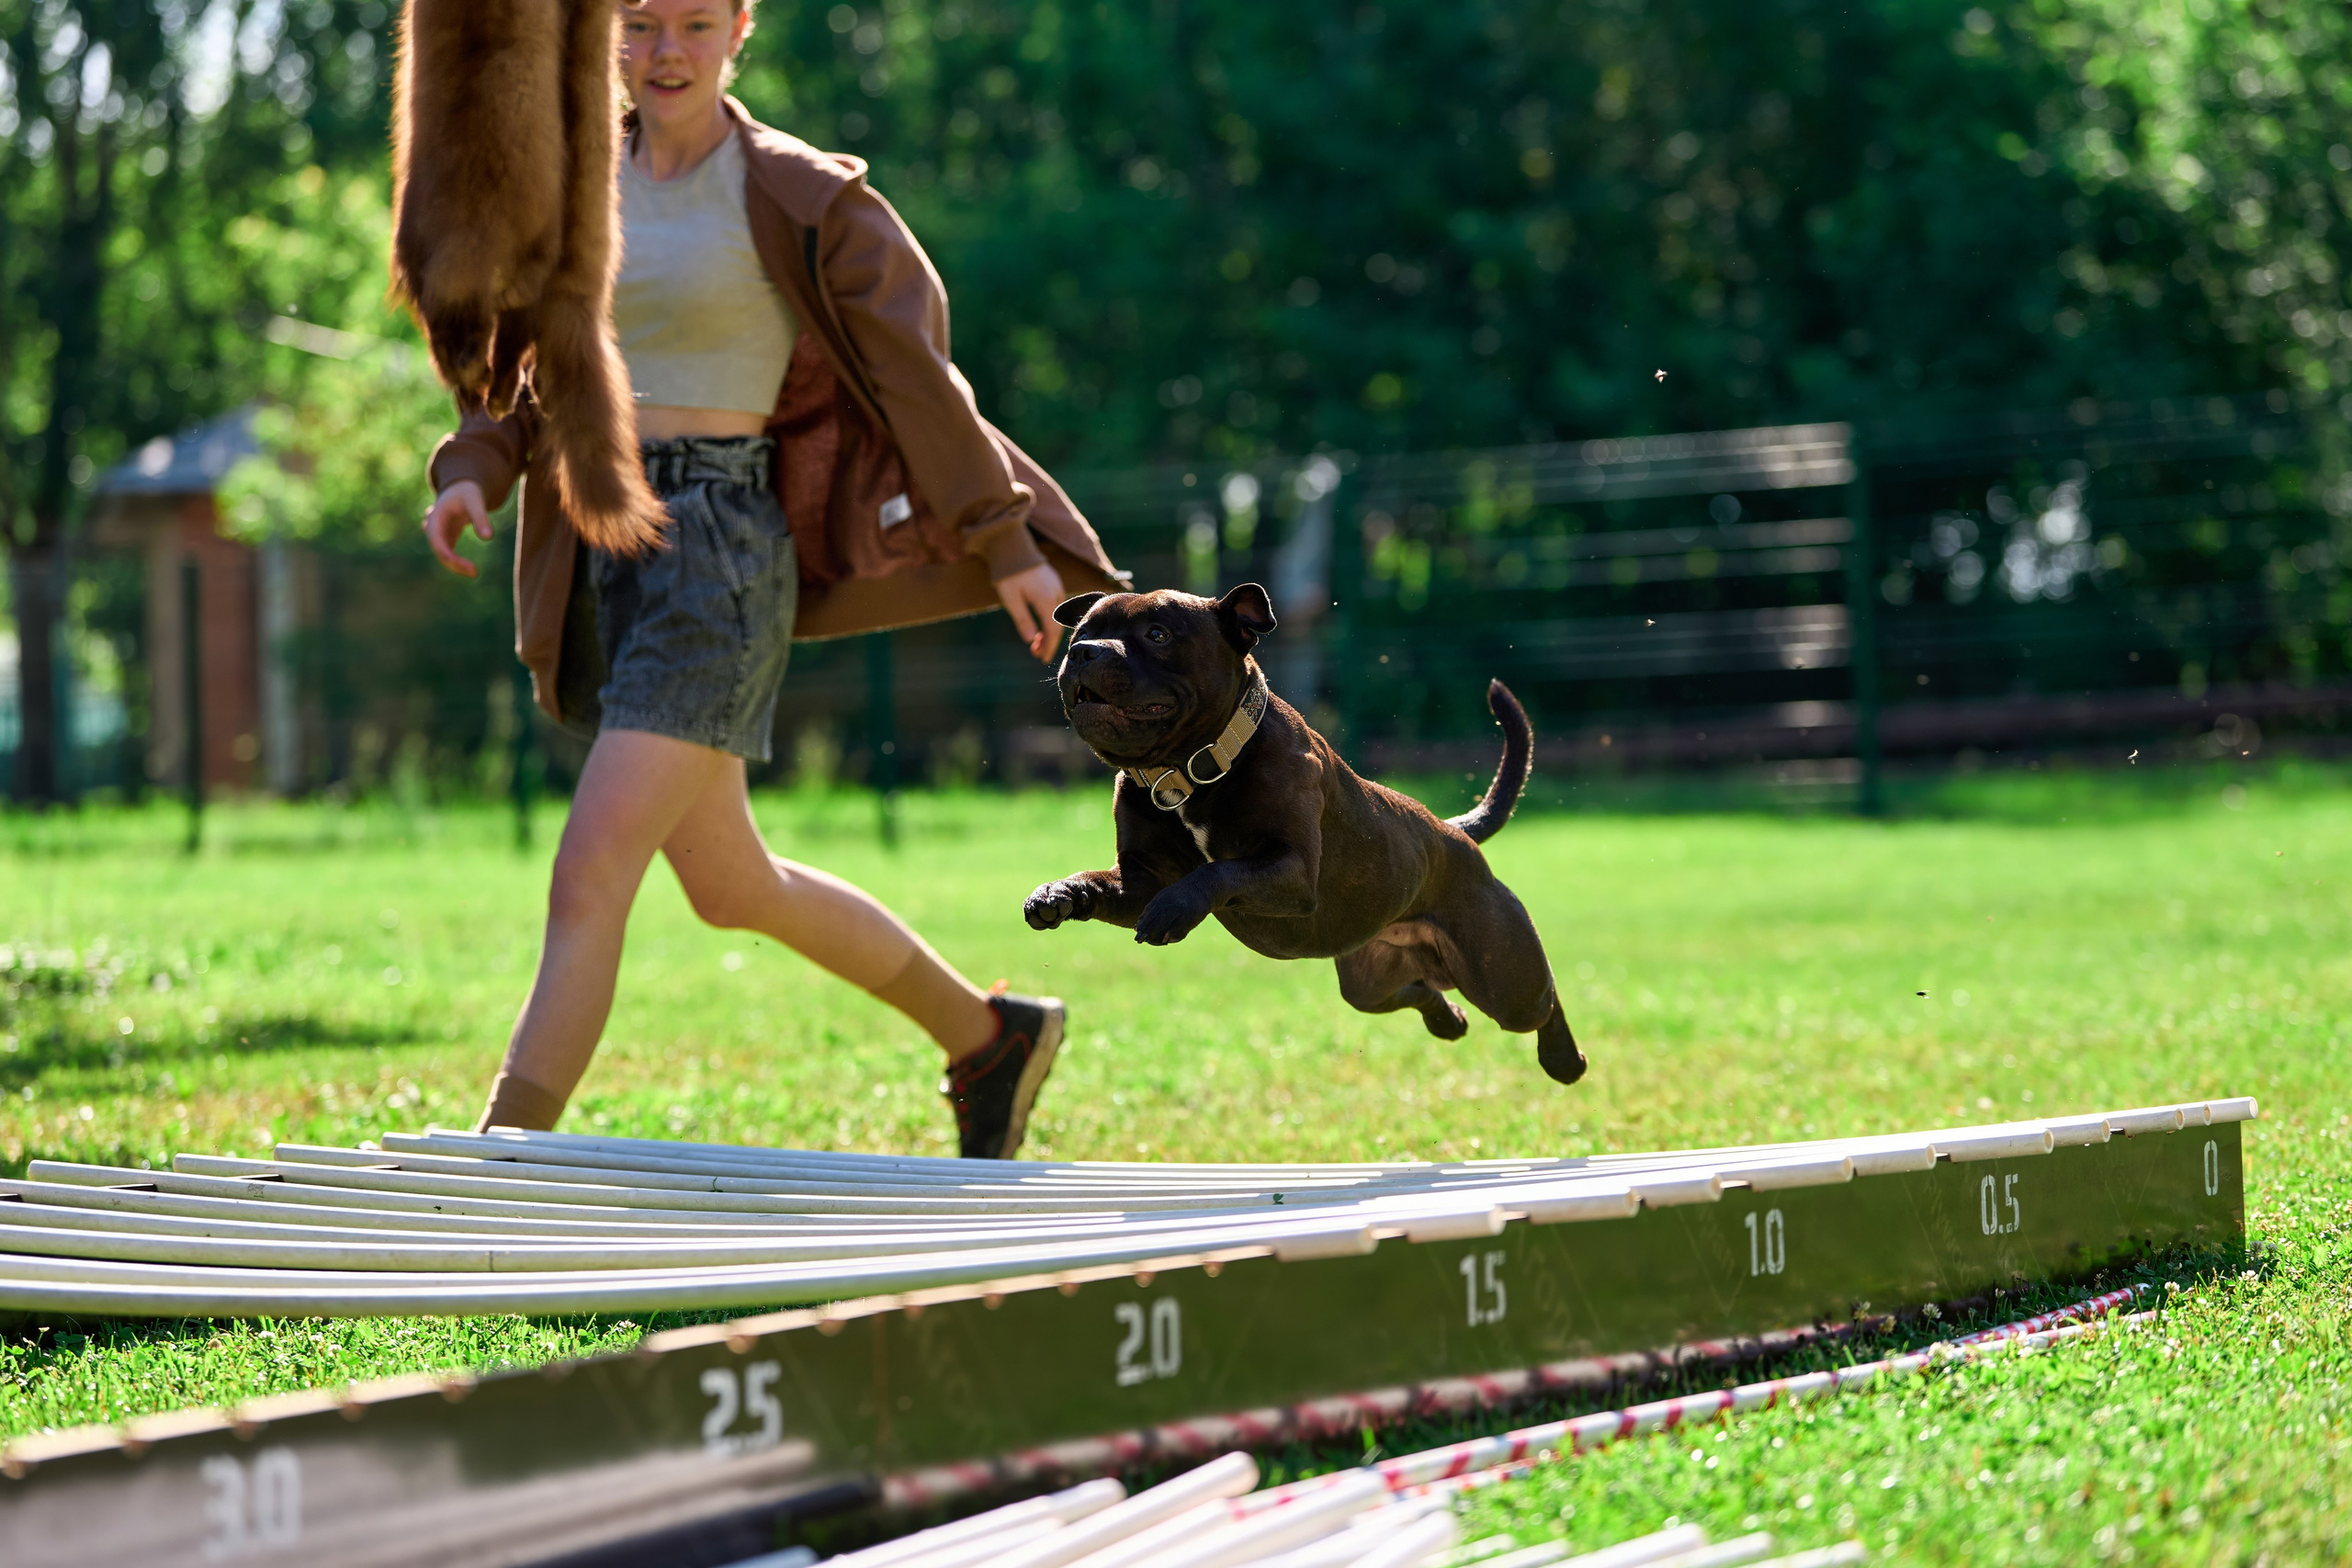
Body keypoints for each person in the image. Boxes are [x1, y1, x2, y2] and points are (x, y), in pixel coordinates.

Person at [419, 0, 1123, 1158]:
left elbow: (918, 377)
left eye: (695, 24)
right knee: (731, 885)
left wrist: (1005, 539)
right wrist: (473, 472)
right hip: (609, 536)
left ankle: (504, 1158)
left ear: (740, 31)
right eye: (639, 26)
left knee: (592, 862)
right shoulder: (570, 186)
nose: (664, 52)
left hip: (723, 550)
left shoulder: (801, 196)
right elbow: (513, 366)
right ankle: (987, 1037)